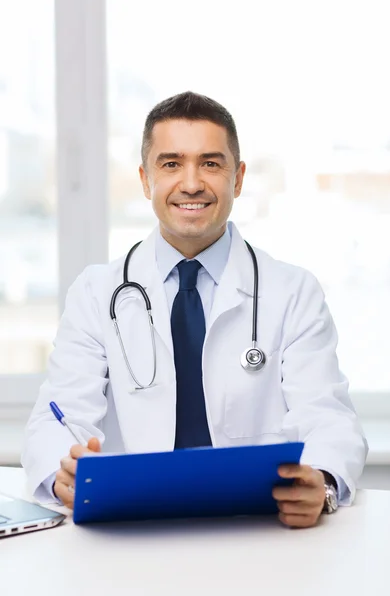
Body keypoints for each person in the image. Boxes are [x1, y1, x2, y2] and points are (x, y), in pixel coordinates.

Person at [22, 91, 367, 528]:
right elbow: (57, 416)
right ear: (146, 180)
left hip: (257, 527)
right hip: (133, 529)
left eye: (210, 163)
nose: (191, 183)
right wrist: (61, 475)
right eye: (171, 164)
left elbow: (329, 416)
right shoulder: (95, 293)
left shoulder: (293, 290)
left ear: (237, 179)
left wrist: (322, 481)